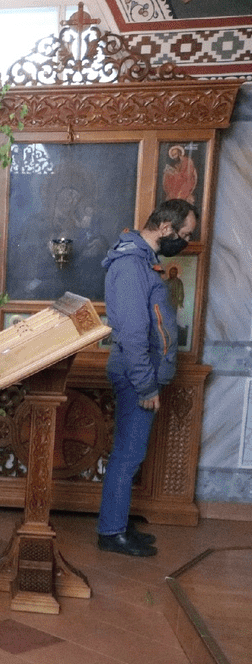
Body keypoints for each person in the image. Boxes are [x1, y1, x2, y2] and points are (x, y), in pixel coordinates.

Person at [96, 198, 198, 557]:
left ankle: (118, 524)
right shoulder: (130, 264)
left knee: (131, 453)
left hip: (142, 371)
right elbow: (134, 333)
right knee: (127, 455)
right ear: (166, 228)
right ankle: (111, 533)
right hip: (136, 374)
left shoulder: (142, 260)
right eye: (185, 234)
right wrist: (146, 385)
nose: (186, 242)